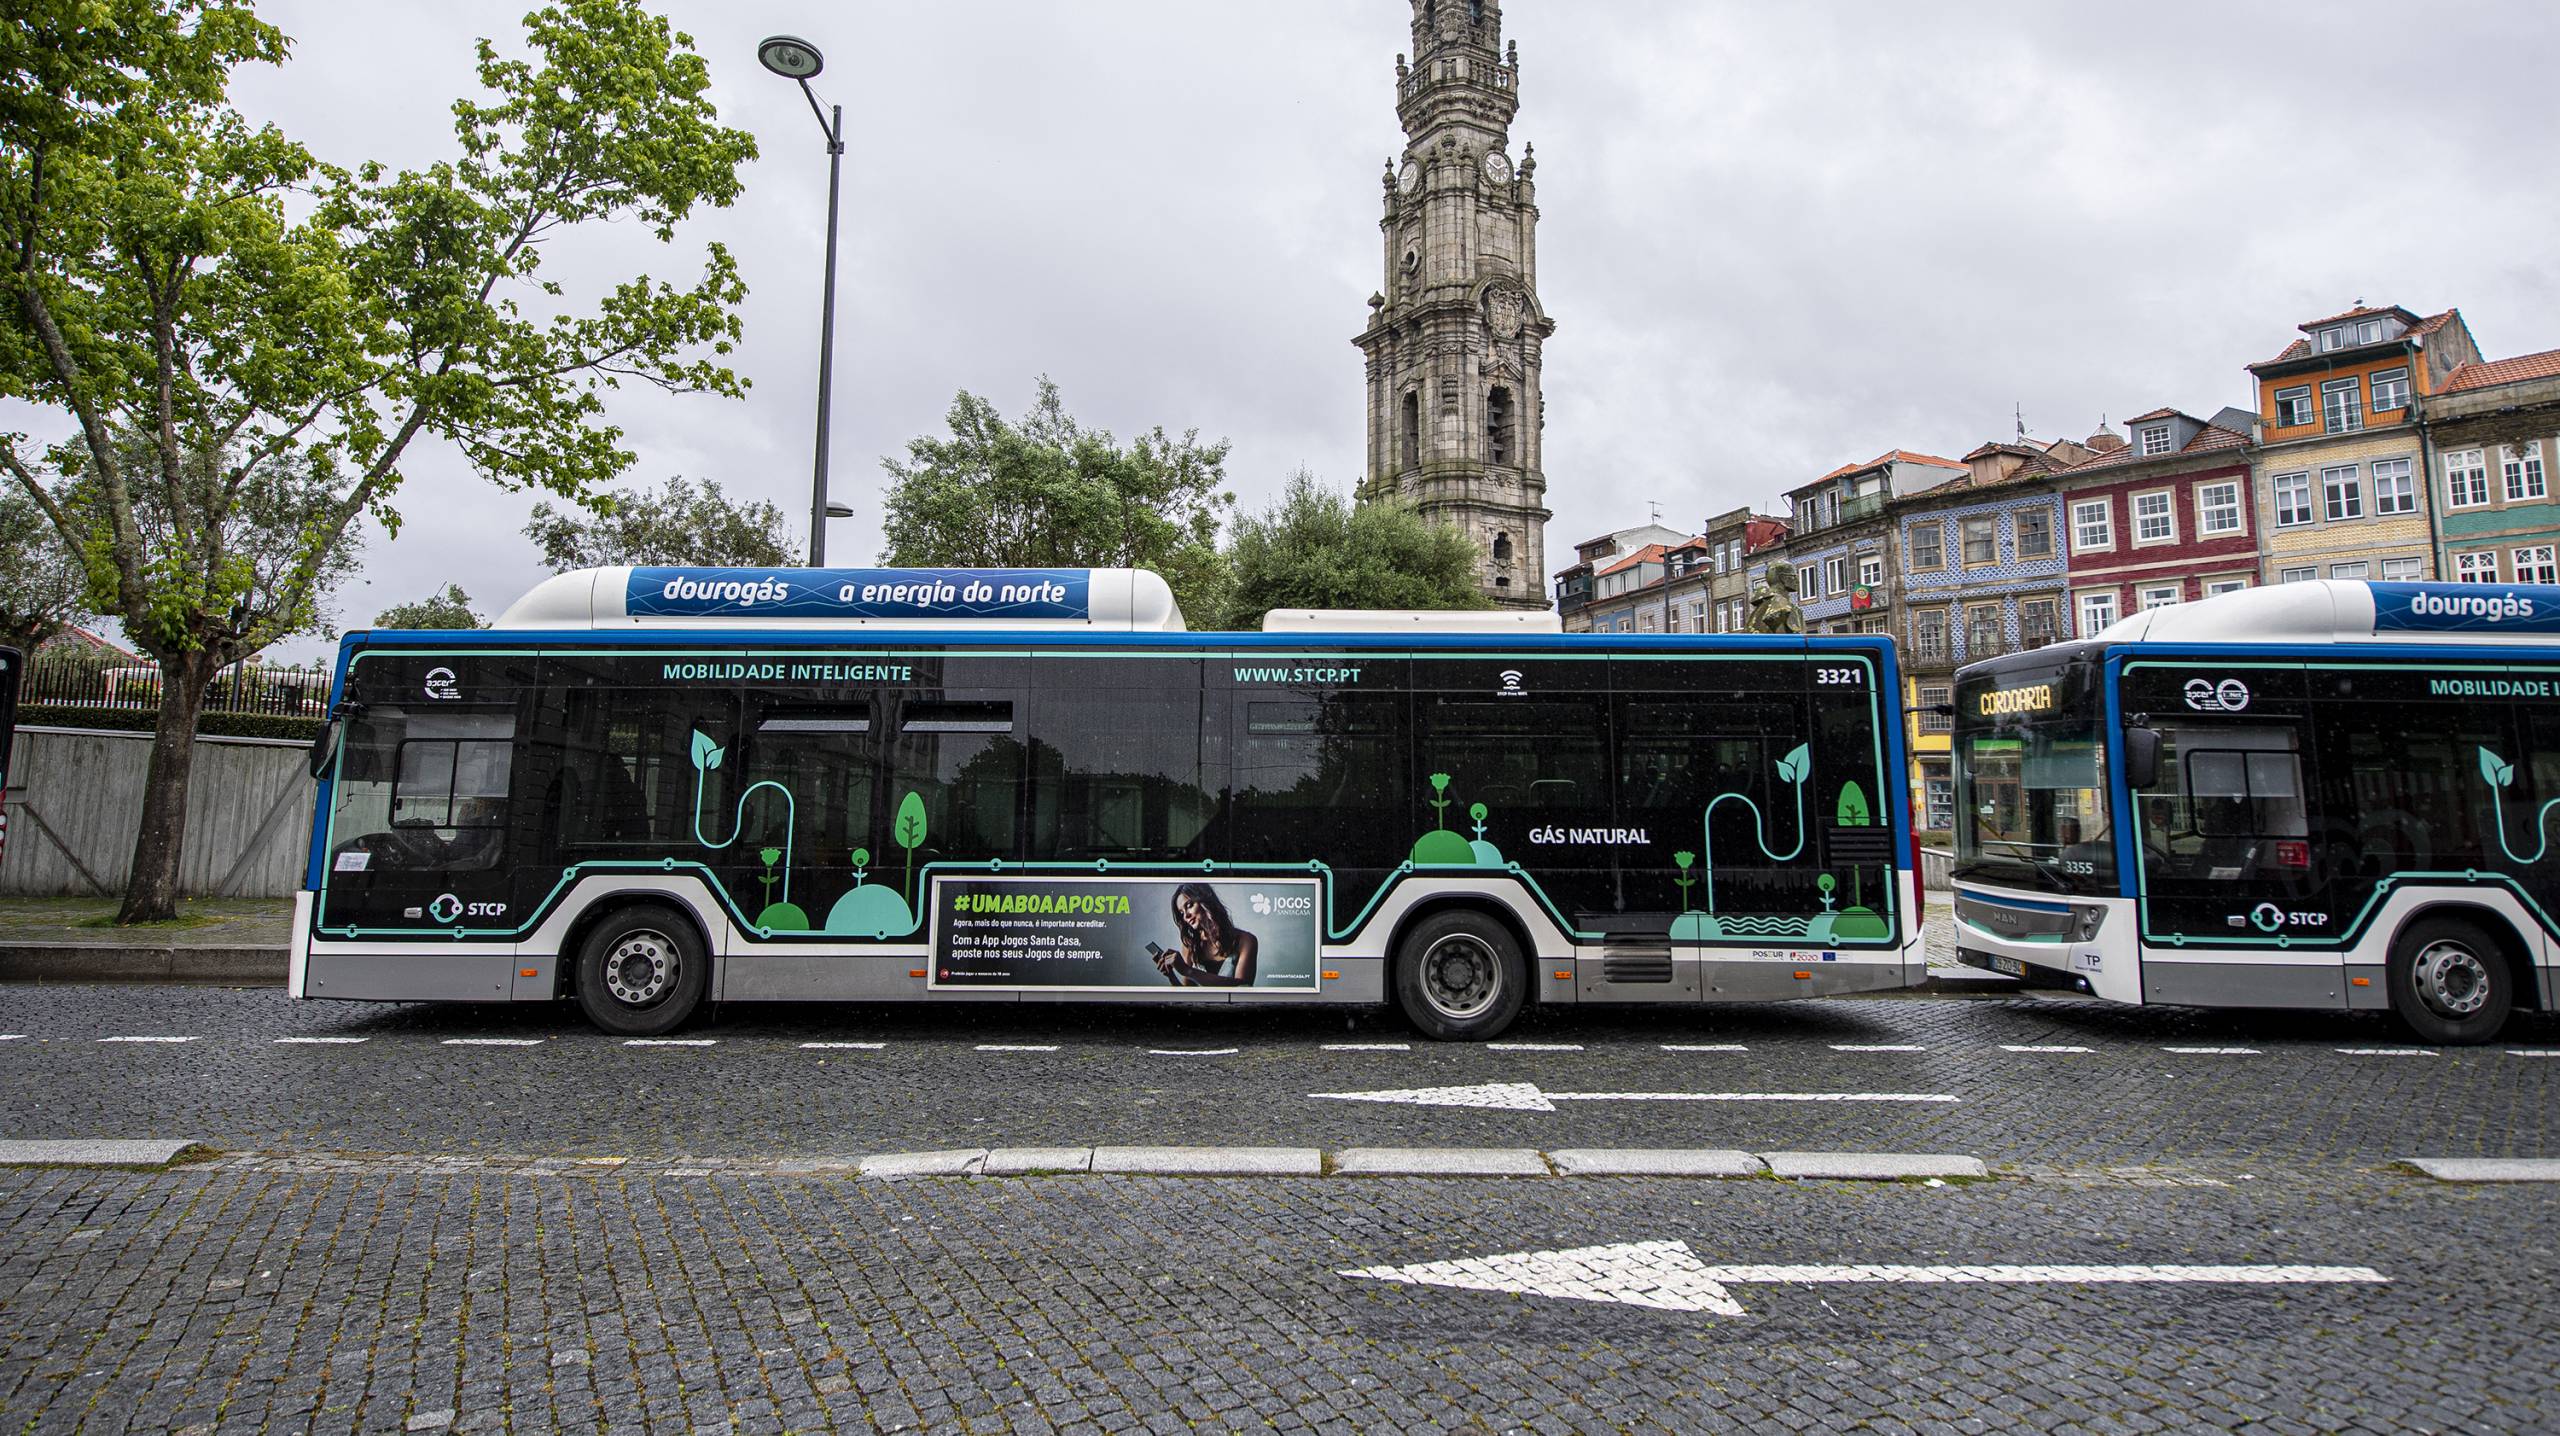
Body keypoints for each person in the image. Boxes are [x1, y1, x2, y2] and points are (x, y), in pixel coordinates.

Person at [1154, 883, 1259, 987]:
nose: (1186, 916)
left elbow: (1243, 987)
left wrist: (1188, 970)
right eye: (1181, 913)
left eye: (1189, 905)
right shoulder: (1190, 945)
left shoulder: (1246, 941)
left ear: (1205, 901)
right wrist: (1171, 976)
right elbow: (1187, 996)